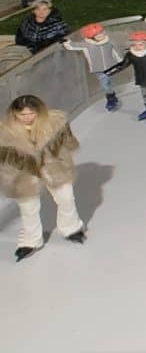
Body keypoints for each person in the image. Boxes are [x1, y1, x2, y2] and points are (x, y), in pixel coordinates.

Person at [0, 94, 86, 262]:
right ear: (14, 114)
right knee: (28, 208)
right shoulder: (5, 132)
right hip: (23, 173)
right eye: (22, 114)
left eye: (31, 113)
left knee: (66, 198)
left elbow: (68, 141)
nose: (27, 118)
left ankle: (71, 228)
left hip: (54, 167)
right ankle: (31, 241)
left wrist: (62, 156)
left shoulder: (55, 123)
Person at [103, 30, 146, 124]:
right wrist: (108, 72)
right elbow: (122, 65)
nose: (137, 47)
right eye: (134, 44)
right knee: (145, 95)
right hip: (141, 78)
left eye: (140, 44)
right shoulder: (131, 54)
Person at [65, 23, 124, 111]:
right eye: (98, 34)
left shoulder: (109, 42)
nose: (102, 35)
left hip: (110, 67)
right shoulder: (87, 45)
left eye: (102, 32)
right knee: (105, 84)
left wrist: (121, 61)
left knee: (106, 83)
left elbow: (116, 53)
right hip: (98, 69)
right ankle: (111, 98)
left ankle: (111, 97)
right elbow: (73, 46)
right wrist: (66, 42)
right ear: (91, 37)